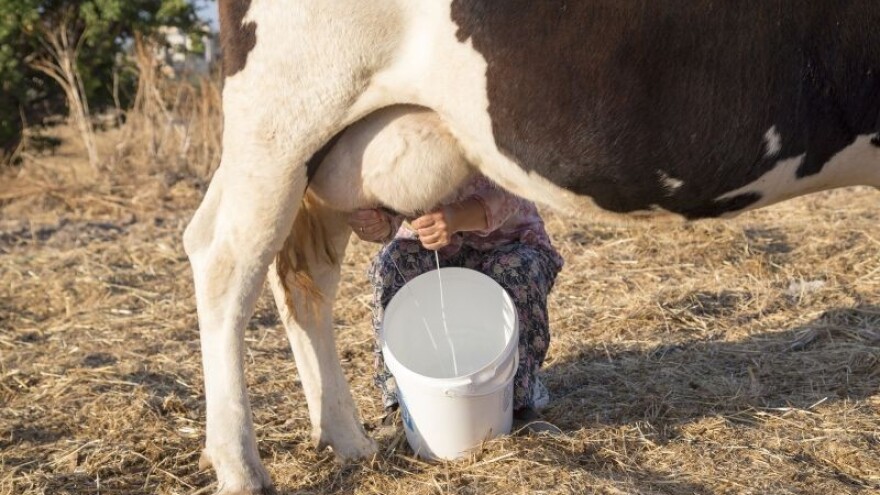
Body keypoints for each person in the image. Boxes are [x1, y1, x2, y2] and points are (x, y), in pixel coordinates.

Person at [349, 174, 564, 426]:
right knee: (394, 264)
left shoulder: (493, 136)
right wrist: (374, 223)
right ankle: (403, 406)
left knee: (515, 270)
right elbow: (390, 210)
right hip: (431, 247)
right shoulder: (408, 142)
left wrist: (453, 218)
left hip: (510, 244)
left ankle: (516, 404)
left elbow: (511, 190)